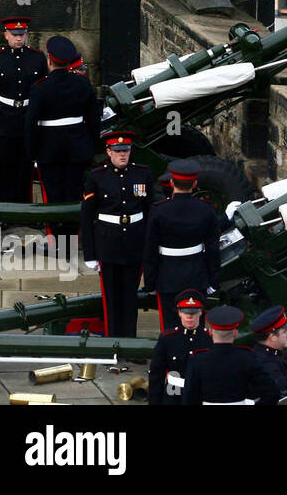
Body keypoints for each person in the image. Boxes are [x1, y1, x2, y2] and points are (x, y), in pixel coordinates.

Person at [81, 131, 154, 338]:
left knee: (130, 297)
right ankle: (112, 343)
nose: (123, 155)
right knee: (111, 298)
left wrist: (149, 245)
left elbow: (150, 212)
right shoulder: (97, 177)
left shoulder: (143, 174)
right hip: (108, 243)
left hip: (134, 241)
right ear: (109, 152)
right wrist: (90, 254)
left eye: (126, 150)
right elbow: (86, 219)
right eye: (118, 151)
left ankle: (129, 342)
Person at [143, 159, 220, 332]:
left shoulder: (159, 210)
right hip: (196, 274)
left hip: (167, 275)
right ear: (194, 183)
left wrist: (150, 282)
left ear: (171, 183)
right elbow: (213, 248)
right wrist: (213, 280)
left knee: (170, 329)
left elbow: (149, 249)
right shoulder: (205, 209)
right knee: (195, 326)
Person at [25, 35, 100, 204]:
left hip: (49, 150)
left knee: (53, 196)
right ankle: (73, 229)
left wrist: (32, 153)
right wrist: (90, 146)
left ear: (50, 61)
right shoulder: (82, 83)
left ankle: (58, 230)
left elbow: (31, 124)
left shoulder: (40, 87)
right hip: (78, 147)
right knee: (74, 194)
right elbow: (94, 119)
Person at [0, 18, 48, 203]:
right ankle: (6, 211)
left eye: (22, 34)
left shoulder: (37, 57)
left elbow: (43, 90)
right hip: (3, 118)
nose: (19, 39)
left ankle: (24, 208)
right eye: (15, 35)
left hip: (28, 117)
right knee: (5, 168)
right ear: (6, 35)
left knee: (25, 168)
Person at [182, 305, 279, 406]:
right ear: (235, 333)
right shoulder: (247, 357)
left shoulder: (198, 360)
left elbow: (188, 398)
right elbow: (272, 393)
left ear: (210, 332)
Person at [148, 290, 211, 406]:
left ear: (201, 312)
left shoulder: (210, 339)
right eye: (185, 312)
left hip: (201, 394)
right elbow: (156, 374)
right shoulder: (167, 338)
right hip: (174, 393)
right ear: (179, 313)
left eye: (194, 312)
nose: (189, 316)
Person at [249, 306, 287, 401]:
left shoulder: (265, 352)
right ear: (273, 337)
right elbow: (282, 391)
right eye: (284, 332)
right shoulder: (266, 363)